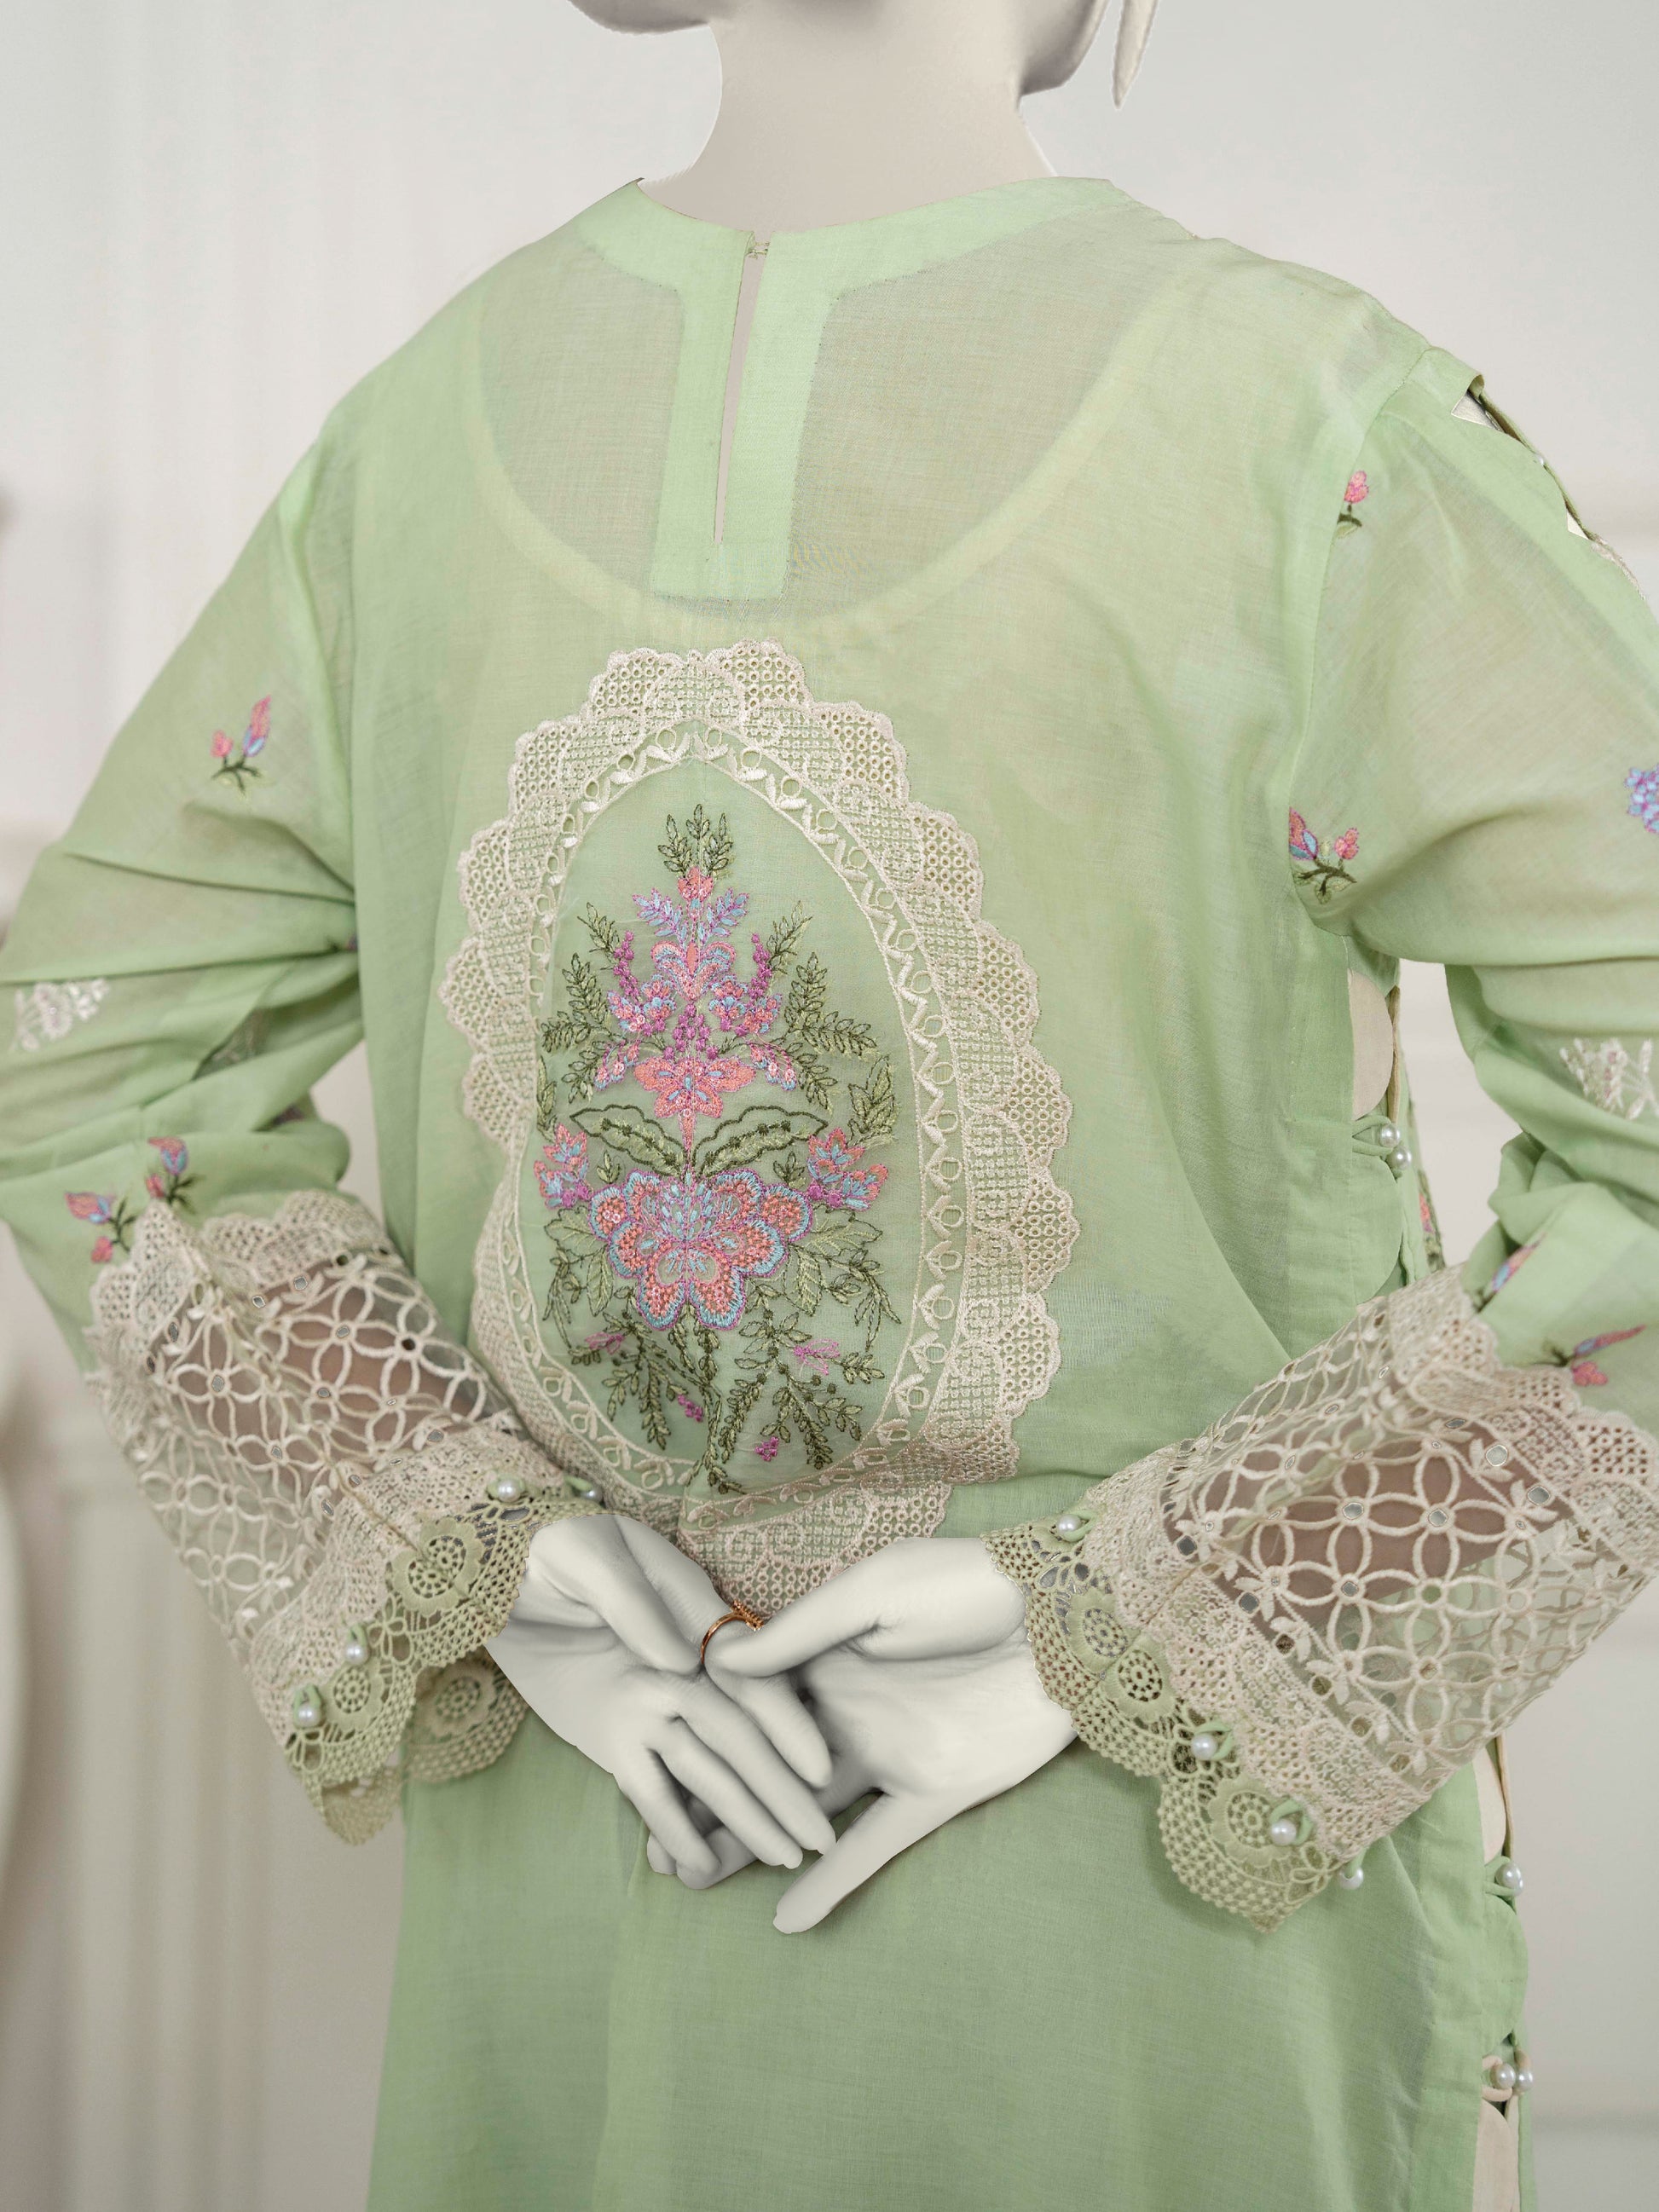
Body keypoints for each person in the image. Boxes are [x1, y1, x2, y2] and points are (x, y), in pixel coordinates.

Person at [1, 3, 1654, 2206]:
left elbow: (82, 1048)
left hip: (621, 1822)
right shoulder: (1308, 432)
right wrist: (1137, 1628)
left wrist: (508, 1570)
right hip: (1148, 1902)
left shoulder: (417, 438)